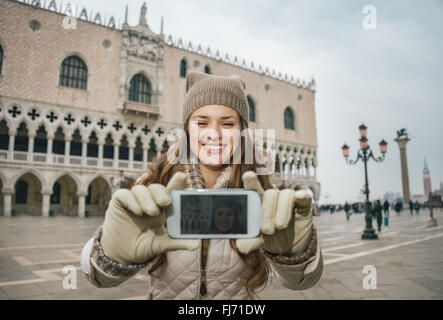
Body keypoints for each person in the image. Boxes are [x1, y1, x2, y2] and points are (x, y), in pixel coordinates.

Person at [80, 72, 323, 300]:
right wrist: (111, 255)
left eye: (227, 124)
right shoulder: (155, 186)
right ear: (187, 129)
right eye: (202, 122)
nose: (214, 134)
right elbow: (98, 279)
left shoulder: (258, 193)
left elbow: (302, 283)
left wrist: (296, 253)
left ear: (241, 132)